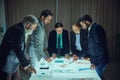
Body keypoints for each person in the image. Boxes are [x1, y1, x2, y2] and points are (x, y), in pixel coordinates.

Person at [0, 15, 38, 80]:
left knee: (16, 75)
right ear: (28, 25)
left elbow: (21, 47)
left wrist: (25, 59)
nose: (34, 29)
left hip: (14, 58)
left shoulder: (21, 29)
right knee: (8, 76)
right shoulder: (18, 30)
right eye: (34, 27)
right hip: (9, 59)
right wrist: (27, 64)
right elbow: (17, 48)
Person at [77, 15, 110, 79]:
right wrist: (79, 55)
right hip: (95, 60)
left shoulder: (97, 28)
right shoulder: (90, 30)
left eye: (82, 24)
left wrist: (95, 63)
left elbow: (101, 48)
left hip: (100, 61)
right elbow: (87, 46)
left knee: (96, 77)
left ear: (87, 22)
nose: (82, 27)